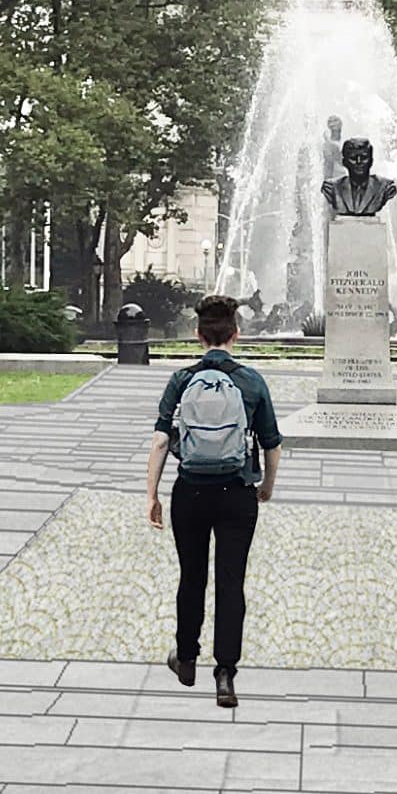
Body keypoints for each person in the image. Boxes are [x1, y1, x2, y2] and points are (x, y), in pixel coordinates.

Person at [146, 292, 280, 708]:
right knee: (230, 581)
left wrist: (151, 494)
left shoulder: (182, 380)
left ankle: (186, 658)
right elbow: (272, 444)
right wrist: (267, 486)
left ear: (198, 335)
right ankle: (225, 674)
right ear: (235, 334)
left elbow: (161, 440)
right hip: (237, 493)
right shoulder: (251, 381)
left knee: (192, 576)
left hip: (190, 490)